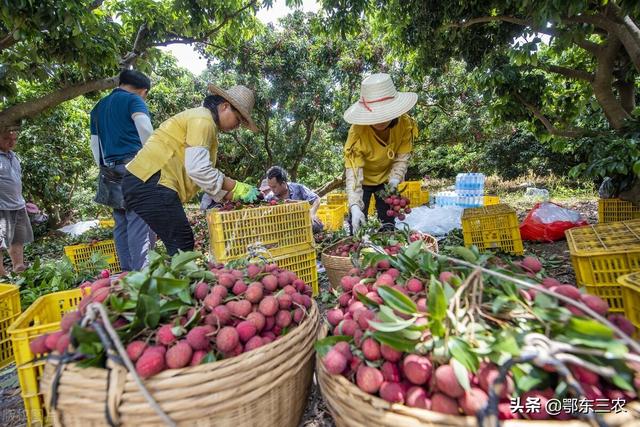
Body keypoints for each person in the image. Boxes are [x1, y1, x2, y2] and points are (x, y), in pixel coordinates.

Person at [123, 84, 260, 255]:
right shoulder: (203, 120)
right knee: (182, 243)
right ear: (225, 106)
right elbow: (199, 169)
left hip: (145, 181)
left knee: (179, 243)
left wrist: (234, 196)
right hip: (151, 180)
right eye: (238, 119)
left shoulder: (204, 122)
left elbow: (200, 177)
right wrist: (236, 186)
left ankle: (169, 278)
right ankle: (175, 280)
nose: (237, 126)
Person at [90, 69, 156, 271]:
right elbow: (145, 129)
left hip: (109, 168)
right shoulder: (134, 100)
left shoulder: (98, 107)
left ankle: (127, 271)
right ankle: (141, 272)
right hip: (134, 165)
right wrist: (153, 159)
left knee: (121, 221)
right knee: (139, 219)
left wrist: (103, 167)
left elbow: (95, 144)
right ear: (143, 91)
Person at [342, 73, 418, 233]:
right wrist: (355, 206)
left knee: (388, 224)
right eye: (375, 115)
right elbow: (354, 174)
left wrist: (394, 181)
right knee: (357, 226)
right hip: (362, 181)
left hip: (387, 180)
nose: (380, 120)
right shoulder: (357, 133)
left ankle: (388, 252)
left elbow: (401, 159)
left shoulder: (405, 124)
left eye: (385, 113)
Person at [0, 124, 33, 276]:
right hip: (2, 207)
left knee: (17, 239)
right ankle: (1, 274)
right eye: (7, 139)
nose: (11, 143)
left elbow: (15, 181)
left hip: (18, 205)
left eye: (14, 139)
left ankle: (18, 268)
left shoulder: (13, 156)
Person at [265, 166, 323, 233]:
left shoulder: (298, 188)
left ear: (283, 183)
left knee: (315, 225)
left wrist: (311, 213)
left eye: (274, 187)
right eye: (270, 187)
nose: (272, 190)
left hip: (303, 224)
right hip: (282, 230)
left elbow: (316, 199)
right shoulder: (269, 197)